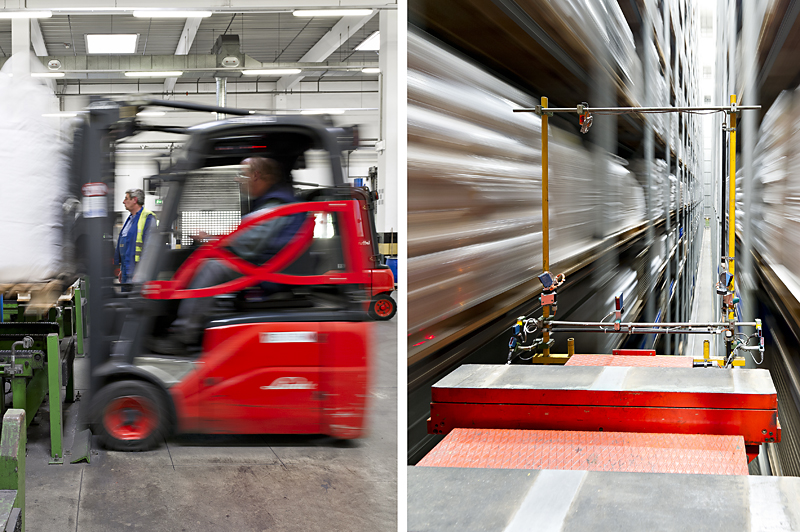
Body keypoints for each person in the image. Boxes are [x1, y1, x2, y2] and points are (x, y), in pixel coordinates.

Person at [153, 156, 301, 353]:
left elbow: (248, 243)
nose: (238, 180)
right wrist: (212, 239)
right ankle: (172, 321)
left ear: (256, 176)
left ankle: (184, 335)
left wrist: (211, 239)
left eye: (242, 175)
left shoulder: (276, 204)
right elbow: (247, 236)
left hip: (264, 266)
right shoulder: (269, 203)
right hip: (262, 260)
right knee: (195, 257)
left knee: (212, 267)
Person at [114, 188, 156, 291]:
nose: (123, 201)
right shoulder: (130, 219)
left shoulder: (148, 218)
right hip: (126, 269)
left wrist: (141, 272)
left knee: (132, 299)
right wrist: (122, 269)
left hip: (136, 270)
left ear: (135, 200)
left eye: (126, 198)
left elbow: (149, 247)